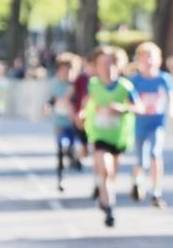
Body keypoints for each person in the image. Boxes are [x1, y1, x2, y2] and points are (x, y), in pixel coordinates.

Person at [84, 46, 142, 227]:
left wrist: (122, 108)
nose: (107, 68)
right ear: (96, 67)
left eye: (111, 63)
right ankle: (109, 208)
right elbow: (86, 103)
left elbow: (139, 108)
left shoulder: (125, 86)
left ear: (118, 65)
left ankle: (105, 198)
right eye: (102, 64)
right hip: (98, 135)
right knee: (105, 169)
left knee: (112, 173)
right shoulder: (93, 85)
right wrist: (81, 114)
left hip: (118, 137)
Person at [129, 42, 173, 208]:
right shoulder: (135, 80)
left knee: (155, 154)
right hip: (139, 124)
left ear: (159, 60)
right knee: (140, 159)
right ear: (138, 61)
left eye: (151, 58)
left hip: (157, 124)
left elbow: (171, 96)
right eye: (144, 58)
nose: (148, 61)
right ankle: (137, 181)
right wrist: (134, 108)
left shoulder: (163, 78)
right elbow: (129, 100)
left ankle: (156, 192)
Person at [45, 55, 78, 192]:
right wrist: (47, 107)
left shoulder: (76, 85)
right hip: (60, 124)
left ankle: (73, 158)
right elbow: (51, 101)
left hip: (73, 124)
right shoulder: (55, 85)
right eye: (63, 70)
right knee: (60, 149)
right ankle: (60, 178)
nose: (66, 73)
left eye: (69, 70)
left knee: (71, 148)